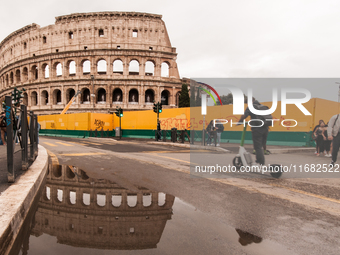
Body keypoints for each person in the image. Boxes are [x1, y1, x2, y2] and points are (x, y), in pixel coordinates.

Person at [238, 99, 269, 165]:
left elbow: (244, 115)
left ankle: (260, 162)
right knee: (261, 145)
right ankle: (261, 161)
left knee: (257, 147)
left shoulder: (251, 107)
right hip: (266, 128)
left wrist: (239, 122)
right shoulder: (263, 106)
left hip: (257, 129)